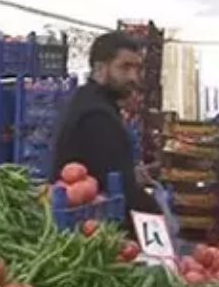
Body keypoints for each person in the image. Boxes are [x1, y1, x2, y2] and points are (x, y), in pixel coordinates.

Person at [51, 32, 158, 220]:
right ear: (99, 69)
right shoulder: (97, 116)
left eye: (137, 68)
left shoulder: (88, 100)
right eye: (125, 67)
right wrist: (157, 215)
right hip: (90, 223)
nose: (133, 77)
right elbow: (122, 189)